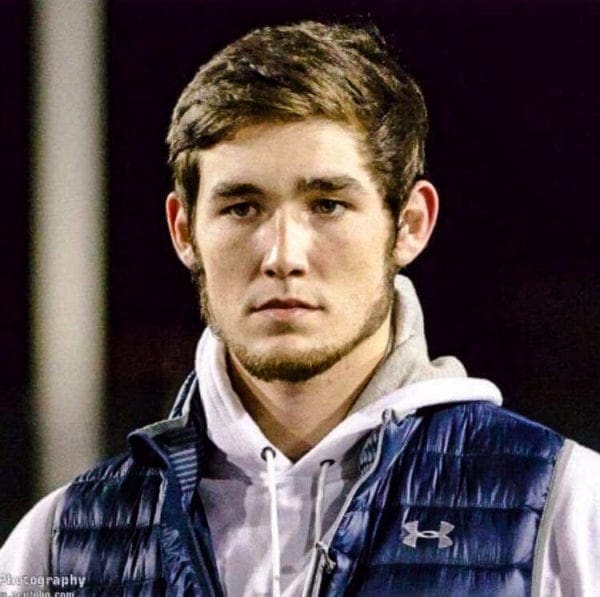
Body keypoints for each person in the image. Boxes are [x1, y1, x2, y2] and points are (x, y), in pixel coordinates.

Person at [1, 20, 599, 597]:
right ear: (184, 232)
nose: (283, 255)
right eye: (242, 208)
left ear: (410, 224)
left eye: (328, 205)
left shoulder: (570, 510)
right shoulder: (55, 544)